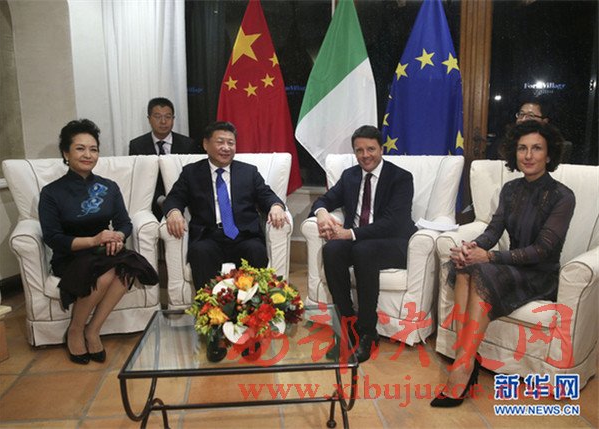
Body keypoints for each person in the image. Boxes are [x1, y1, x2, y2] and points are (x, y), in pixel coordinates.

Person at [431, 121, 575, 407]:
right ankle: (465, 361)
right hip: (512, 267)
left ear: (549, 155)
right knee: (464, 265)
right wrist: (472, 248)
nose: (528, 155)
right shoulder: (510, 189)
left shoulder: (563, 196)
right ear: (514, 153)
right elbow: (493, 231)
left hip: (540, 274)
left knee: (483, 270)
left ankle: (461, 370)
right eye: (522, 148)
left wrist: (490, 257)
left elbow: (543, 250)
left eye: (537, 149)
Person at [39, 119, 159, 365]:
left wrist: (118, 237)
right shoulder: (51, 193)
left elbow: (124, 223)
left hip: (105, 251)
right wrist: (93, 240)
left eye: (93, 149)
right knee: (107, 273)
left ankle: (93, 329)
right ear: (66, 153)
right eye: (80, 148)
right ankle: (75, 329)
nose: (88, 154)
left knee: (127, 267)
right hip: (71, 255)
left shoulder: (109, 187)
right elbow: (53, 238)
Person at [309, 125, 417, 363]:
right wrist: (322, 213)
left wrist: (350, 233)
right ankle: (347, 327)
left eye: (371, 149)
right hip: (359, 239)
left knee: (363, 250)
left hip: (393, 242)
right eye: (359, 150)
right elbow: (324, 199)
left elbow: (394, 223)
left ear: (381, 149)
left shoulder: (401, 178)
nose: (365, 155)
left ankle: (368, 331)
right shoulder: (350, 176)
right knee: (332, 249)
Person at [163, 121, 288, 291]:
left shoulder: (249, 172)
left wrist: (276, 206)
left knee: (256, 251)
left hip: (244, 236)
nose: (226, 148)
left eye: (231, 143)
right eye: (220, 142)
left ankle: (253, 305)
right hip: (208, 236)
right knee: (200, 252)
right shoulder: (191, 172)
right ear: (206, 144)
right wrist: (174, 212)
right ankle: (209, 304)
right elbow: (174, 198)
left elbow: (266, 195)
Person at [129, 97, 199, 219]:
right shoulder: (137, 145)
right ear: (149, 119)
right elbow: (138, 179)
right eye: (157, 117)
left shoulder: (188, 144)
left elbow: (192, 178)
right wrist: (160, 199)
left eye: (168, 117)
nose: (163, 121)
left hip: (182, 202)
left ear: (173, 119)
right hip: (149, 203)